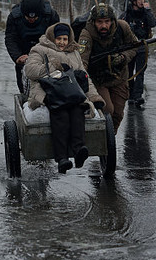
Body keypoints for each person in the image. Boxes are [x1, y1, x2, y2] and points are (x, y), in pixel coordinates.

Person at [23, 23, 104, 173]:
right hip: (48, 91)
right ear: (52, 37)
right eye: (58, 38)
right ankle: (62, 158)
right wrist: (54, 66)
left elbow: (84, 77)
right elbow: (30, 71)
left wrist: (94, 96)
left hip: (70, 91)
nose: (62, 42)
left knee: (78, 109)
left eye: (65, 39)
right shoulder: (39, 49)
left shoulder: (74, 53)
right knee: (60, 111)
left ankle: (79, 149)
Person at [79, 3, 139, 133]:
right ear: (93, 22)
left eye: (107, 21)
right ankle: (103, 139)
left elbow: (135, 46)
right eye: (99, 22)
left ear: (112, 21)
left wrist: (123, 57)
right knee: (107, 110)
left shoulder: (122, 27)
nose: (104, 26)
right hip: (98, 79)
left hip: (119, 77)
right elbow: (82, 61)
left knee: (117, 114)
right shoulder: (87, 34)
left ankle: (109, 139)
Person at [5, 0, 60, 93]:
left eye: (35, 18)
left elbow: (57, 38)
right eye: (28, 17)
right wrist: (17, 57)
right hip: (23, 52)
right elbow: (11, 38)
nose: (32, 20)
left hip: (46, 52)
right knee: (25, 87)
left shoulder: (51, 16)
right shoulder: (14, 17)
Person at [119, 0, 156, 108]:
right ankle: (130, 95)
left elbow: (153, 23)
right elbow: (119, 28)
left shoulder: (145, 13)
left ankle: (138, 96)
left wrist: (148, 10)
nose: (142, 1)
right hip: (129, 48)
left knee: (140, 72)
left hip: (142, 46)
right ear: (134, 1)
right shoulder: (126, 15)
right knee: (129, 72)